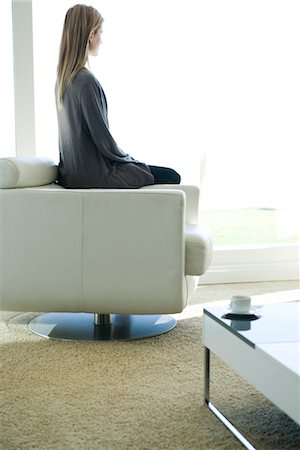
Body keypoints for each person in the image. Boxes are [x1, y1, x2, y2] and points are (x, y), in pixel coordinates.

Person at [56, 4, 181, 189]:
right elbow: (105, 143)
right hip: (94, 176)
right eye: (100, 33)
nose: (101, 39)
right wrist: (131, 161)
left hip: (71, 175)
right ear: (91, 36)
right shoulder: (86, 82)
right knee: (172, 175)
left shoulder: (63, 81)